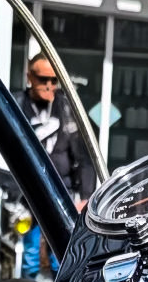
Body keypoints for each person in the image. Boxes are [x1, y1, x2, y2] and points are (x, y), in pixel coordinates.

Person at [24, 45, 103, 218]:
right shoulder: (16, 105)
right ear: (29, 77)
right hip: (23, 193)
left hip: (61, 192)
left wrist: (86, 198)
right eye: (43, 79)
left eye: (54, 80)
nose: (48, 86)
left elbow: (85, 157)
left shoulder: (68, 108)